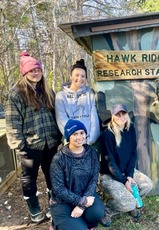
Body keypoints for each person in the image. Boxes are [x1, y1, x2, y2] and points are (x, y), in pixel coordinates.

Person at [4, 51, 61, 222]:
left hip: (50, 142)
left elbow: (56, 115)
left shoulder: (48, 91)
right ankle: (34, 209)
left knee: (52, 175)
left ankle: (55, 206)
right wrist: (21, 146)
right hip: (30, 145)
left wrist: (59, 137)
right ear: (24, 73)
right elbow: (12, 123)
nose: (36, 73)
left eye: (38, 69)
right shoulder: (16, 94)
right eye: (32, 70)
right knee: (29, 178)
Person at [99, 103, 153, 227]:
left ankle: (130, 203)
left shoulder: (131, 129)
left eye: (123, 113)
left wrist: (129, 175)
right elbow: (110, 162)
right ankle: (106, 210)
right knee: (128, 202)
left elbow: (133, 153)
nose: (121, 117)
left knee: (147, 185)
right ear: (113, 116)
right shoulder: (107, 135)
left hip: (125, 172)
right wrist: (124, 181)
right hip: (110, 175)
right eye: (118, 114)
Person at [49, 119, 105, 230]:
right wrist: (82, 201)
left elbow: (93, 180)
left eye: (82, 133)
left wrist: (82, 205)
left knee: (97, 213)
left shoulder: (92, 153)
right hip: (63, 201)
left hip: (85, 195)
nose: (79, 137)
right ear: (68, 137)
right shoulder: (59, 159)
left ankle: (86, 223)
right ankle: (55, 223)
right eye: (75, 134)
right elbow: (59, 189)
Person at [55, 59, 100, 145]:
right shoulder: (61, 96)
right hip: (71, 143)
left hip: (88, 141)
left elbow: (94, 118)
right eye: (77, 75)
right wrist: (74, 138)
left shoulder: (89, 93)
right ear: (70, 76)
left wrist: (90, 140)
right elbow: (62, 120)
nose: (80, 78)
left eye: (83, 76)